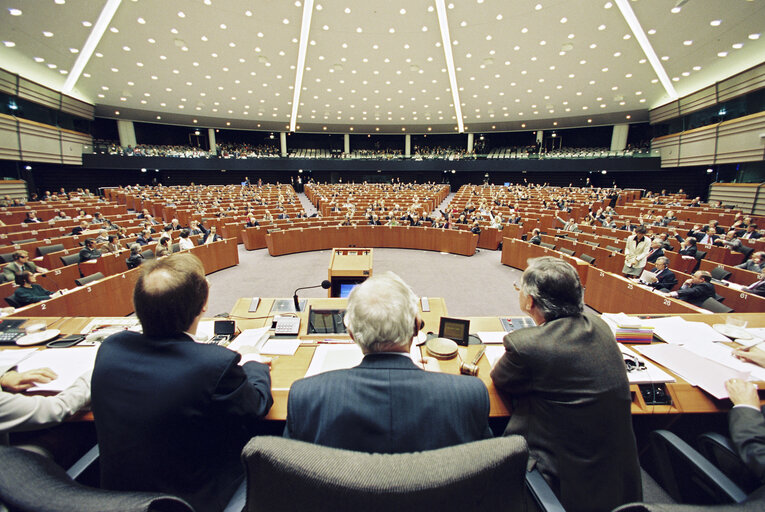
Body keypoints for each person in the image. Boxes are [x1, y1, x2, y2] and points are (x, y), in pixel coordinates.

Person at [91, 253, 273, 512]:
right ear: (204, 303)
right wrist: (253, 364)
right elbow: (257, 406)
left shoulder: (110, 348)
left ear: (138, 304)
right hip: (189, 502)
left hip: (117, 499)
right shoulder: (214, 364)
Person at [490, 257, 641, 512]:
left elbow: (502, 380)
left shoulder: (526, 345)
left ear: (530, 302)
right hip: (617, 482)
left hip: (560, 485)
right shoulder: (602, 326)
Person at [285, 271, 492, 453]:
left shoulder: (304, 397)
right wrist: (441, 382)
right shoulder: (469, 395)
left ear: (351, 334)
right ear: (416, 326)